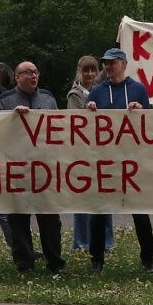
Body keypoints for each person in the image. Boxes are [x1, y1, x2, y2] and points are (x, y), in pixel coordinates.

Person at [82, 45, 153, 272]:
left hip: (132, 160)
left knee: (140, 212)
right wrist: (90, 108)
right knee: (99, 212)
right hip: (104, 161)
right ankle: (96, 258)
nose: (108, 66)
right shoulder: (97, 90)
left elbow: (149, 122)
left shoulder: (138, 88)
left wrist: (140, 109)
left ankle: (148, 258)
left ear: (123, 64)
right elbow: (86, 124)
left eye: (112, 62)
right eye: (106, 62)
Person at [0, 60, 65, 275]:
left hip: (45, 170)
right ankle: (24, 263)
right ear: (17, 77)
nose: (33, 76)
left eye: (35, 72)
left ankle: (55, 262)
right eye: (27, 73)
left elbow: (59, 128)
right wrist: (11, 118)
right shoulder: (5, 100)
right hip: (18, 169)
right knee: (18, 219)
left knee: (50, 220)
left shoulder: (48, 98)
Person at [65, 56, 110, 259]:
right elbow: (75, 121)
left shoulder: (102, 89)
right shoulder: (74, 95)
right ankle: (82, 241)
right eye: (86, 71)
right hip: (82, 153)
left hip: (101, 151)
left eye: (93, 70)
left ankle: (106, 241)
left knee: (104, 196)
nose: (90, 74)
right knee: (82, 199)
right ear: (79, 71)